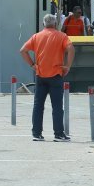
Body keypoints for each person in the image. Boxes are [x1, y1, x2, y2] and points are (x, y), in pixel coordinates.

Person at [19, 14, 75, 142]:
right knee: (57, 106)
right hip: (56, 74)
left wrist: (32, 64)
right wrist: (67, 66)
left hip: (40, 74)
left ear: (44, 24)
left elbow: (23, 50)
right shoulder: (62, 36)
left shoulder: (37, 36)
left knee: (38, 105)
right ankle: (59, 134)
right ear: (55, 24)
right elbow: (71, 49)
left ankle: (36, 133)